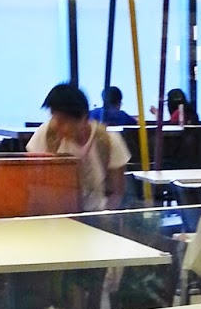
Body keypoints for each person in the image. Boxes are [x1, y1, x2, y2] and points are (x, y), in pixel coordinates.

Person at [27, 82, 130, 212]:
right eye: (54, 117)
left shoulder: (109, 140)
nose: (56, 125)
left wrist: (105, 217)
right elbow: (31, 181)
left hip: (96, 214)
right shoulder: (46, 134)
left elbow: (117, 192)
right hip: (56, 216)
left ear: (83, 118)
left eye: (63, 121)